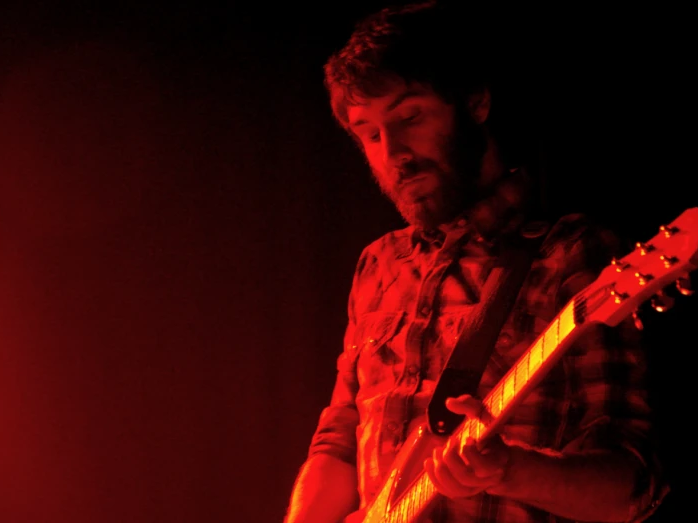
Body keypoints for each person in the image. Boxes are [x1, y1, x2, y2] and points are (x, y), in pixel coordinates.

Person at [284, 2, 668, 522]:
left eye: (410, 117)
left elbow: (631, 488)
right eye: (370, 134)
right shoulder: (378, 265)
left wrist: (510, 470)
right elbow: (337, 441)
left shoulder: (573, 254)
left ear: (475, 102)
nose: (393, 151)